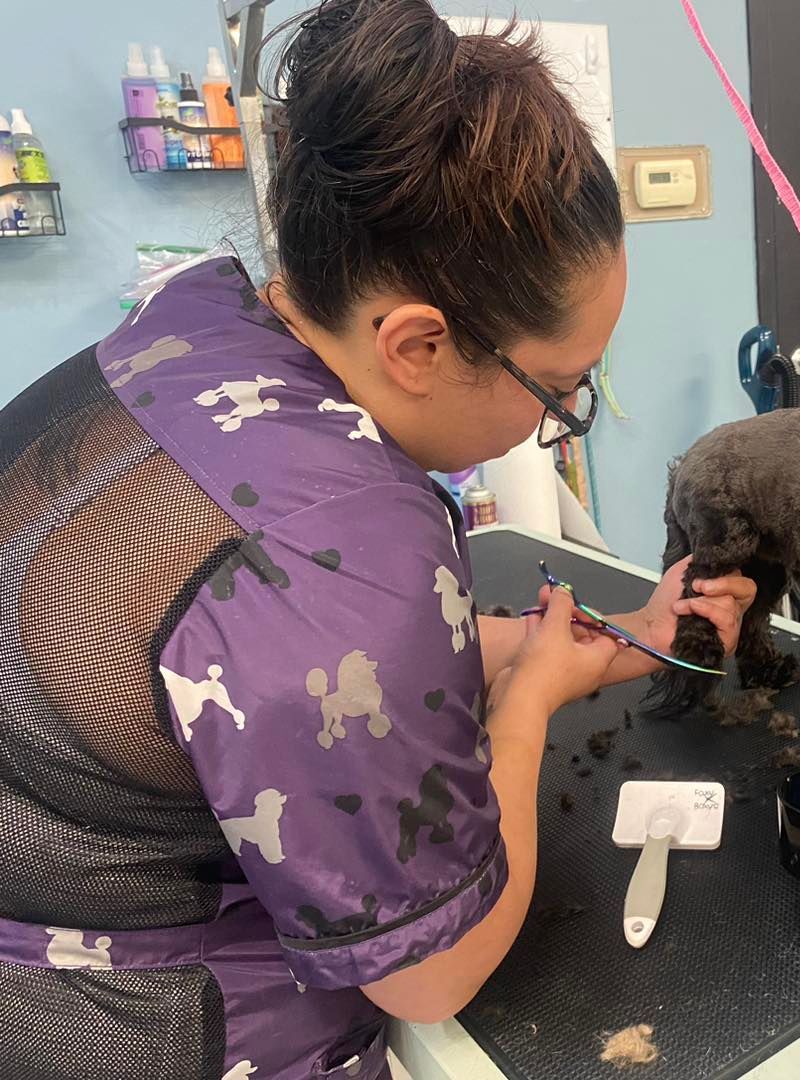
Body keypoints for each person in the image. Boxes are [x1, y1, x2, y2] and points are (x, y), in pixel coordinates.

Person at [0, 2, 755, 1076]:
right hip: (121, 1023)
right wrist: (529, 705)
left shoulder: (193, 326)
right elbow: (430, 973)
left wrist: (586, 640)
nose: (558, 420)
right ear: (417, 343)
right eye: (565, 388)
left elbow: (270, 674)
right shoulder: (334, 544)